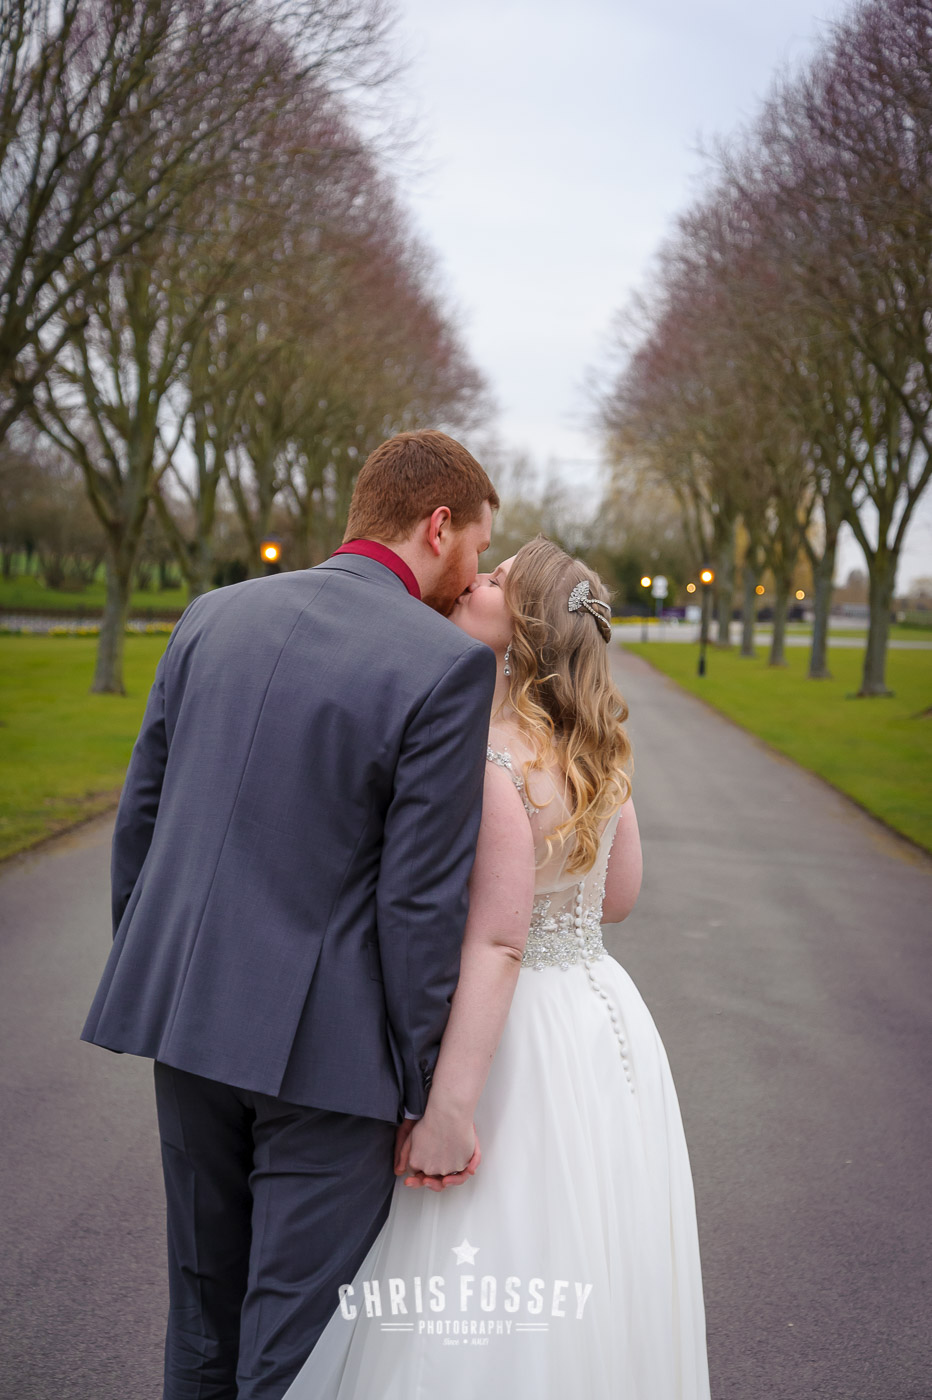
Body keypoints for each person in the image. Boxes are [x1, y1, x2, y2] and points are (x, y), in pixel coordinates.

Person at [80, 430, 500, 1399]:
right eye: (478, 543)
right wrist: (420, 1083)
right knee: (293, 1339)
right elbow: (417, 899)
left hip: (190, 1026)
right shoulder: (442, 665)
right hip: (332, 1061)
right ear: (438, 524)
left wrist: (164, 976)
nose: (473, 568)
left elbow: (139, 816)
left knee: (200, 1311)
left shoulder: (210, 615)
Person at [282, 536, 712, 1399]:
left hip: (521, 1039)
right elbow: (618, 896)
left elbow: (498, 943)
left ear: (518, 630)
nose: (476, 580)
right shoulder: (600, 749)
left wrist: (447, 1111)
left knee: (488, 1257)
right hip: (608, 1025)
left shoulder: (491, 756)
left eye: (496, 579)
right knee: (594, 1247)